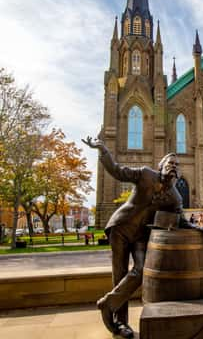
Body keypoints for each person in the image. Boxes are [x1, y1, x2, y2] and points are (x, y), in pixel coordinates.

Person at [83, 137, 196, 339]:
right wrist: (103, 150)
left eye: (177, 165)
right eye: (170, 163)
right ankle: (121, 323)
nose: (174, 167)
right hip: (121, 228)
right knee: (119, 274)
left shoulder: (175, 197)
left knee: (141, 269)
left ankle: (108, 303)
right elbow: (117, 171)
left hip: (141, 236)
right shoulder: (145, 174)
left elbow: (183, 221)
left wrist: (201, 229)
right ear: (160, 166)